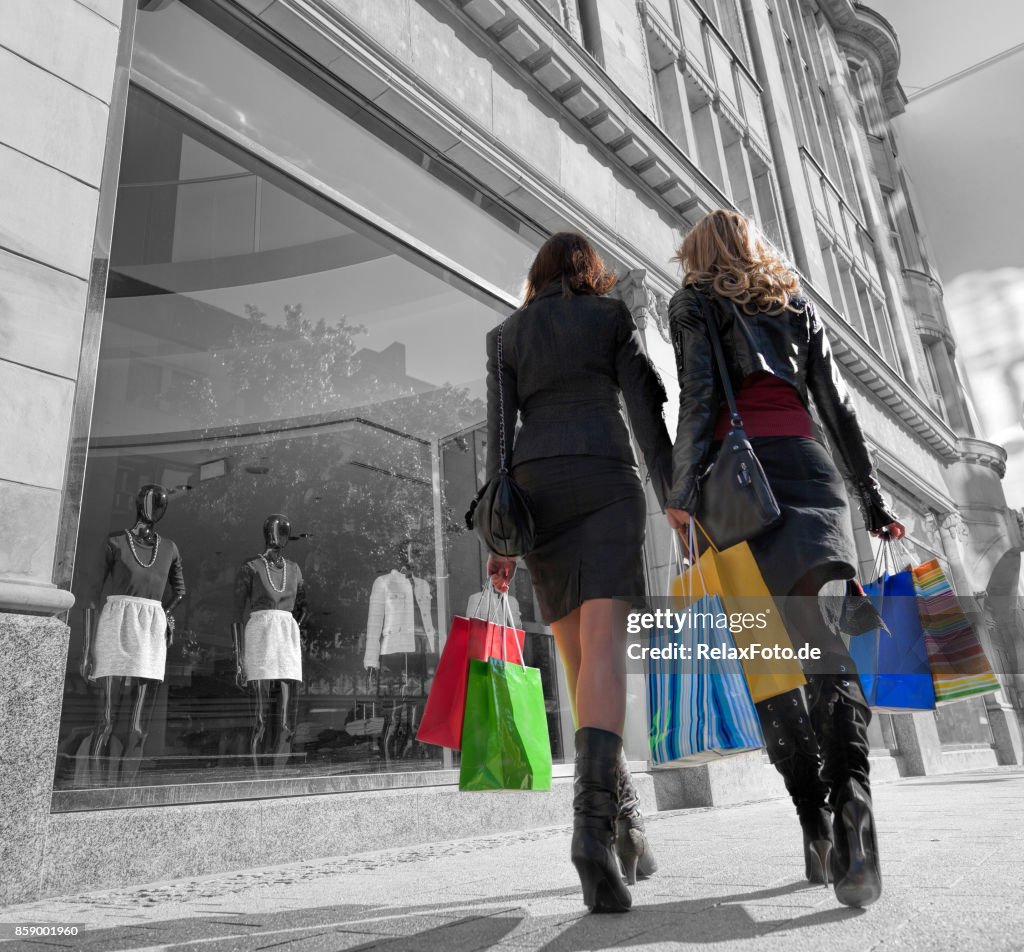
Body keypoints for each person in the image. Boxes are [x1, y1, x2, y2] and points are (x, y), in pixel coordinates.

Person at [665, 209, 905, 909]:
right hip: (810, 469)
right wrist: (871, 498)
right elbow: (839, 408)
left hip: (741, 488)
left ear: (697, 254)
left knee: (769, 669)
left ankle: (815, 823)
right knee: (827, 643)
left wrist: (681, 495)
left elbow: (700, 398)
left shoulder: (692, 301)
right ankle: (855, 812)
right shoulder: (790, 300)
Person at [484, 232, 673, 914]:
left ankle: (625, 823)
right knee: (604, 660)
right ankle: (590, 833)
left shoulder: (505, 336)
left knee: (581, 664)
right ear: (591, 273)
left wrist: (499, 538)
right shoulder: (611, 316)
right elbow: (647, 408)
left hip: (536, 499)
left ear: (535, 275)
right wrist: (673, 493)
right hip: (602, 482)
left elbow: (497, 440)